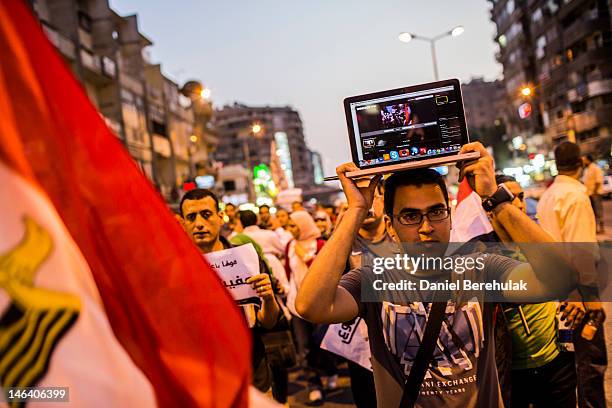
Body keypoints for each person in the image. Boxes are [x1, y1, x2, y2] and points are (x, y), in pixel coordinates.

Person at [296, 142, 578, 408]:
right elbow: (310, 305)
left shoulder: (482, 269)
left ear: (450, 215)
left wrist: (496, 200)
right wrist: (356, 210)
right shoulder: (372, 280)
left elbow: (560, 279)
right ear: (391, 226)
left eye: (436, 212)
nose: (426, 227)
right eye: (410, 216)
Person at [179, 189, 280, 392]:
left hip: (253, 373)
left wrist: (268, 298)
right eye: (191, 217)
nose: (199, 223)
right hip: (203, 379)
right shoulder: (176, 267)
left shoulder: (246, 259)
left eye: (206, 215)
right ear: (182, 223)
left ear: (220, 217)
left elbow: (268, 322)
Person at [494, 174, 578, 408]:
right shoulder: (484, 254)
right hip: (514, 373)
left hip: (557, 362)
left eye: (520, 196)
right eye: (510, 199)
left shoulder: (537, 243)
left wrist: (576, 296)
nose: (519, 204)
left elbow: (568, 274)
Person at [537, 142, 607, 408]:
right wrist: (590, 300)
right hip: (579, 294)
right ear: (580, 163)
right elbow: (582, 253)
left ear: (557, 166)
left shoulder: (548, 196)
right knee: (591, 363)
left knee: (574, 364)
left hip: (560, 292)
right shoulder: (576, 196)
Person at [285, 210, 337, 403]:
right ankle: (314, 384)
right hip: (296, 305)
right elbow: (289, 272)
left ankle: (331, 372)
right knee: (304, 347)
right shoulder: (290, 246)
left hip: (319, 304)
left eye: (293, 225)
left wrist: (307, 257)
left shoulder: (320, 244)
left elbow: (326, 272)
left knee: (324, 343)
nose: (290, 230)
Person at [239, 210, 290, 294]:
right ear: (256, 220)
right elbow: (282, 249)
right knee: (281, 288)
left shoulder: (237, 238)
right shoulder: (269, 234)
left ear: (241, 222)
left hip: (251, 267)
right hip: (272, 261)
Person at [583, 155, 605, 234]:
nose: (584, 162)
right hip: (589, 194)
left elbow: (598, 181)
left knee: (599, 211)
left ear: (588, 160)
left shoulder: (595, 168)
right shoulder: (587, 169)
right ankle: (595, 229)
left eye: (585, 160)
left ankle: (602, 229)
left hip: (596, 194)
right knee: (592, 212)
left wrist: (594, 192)